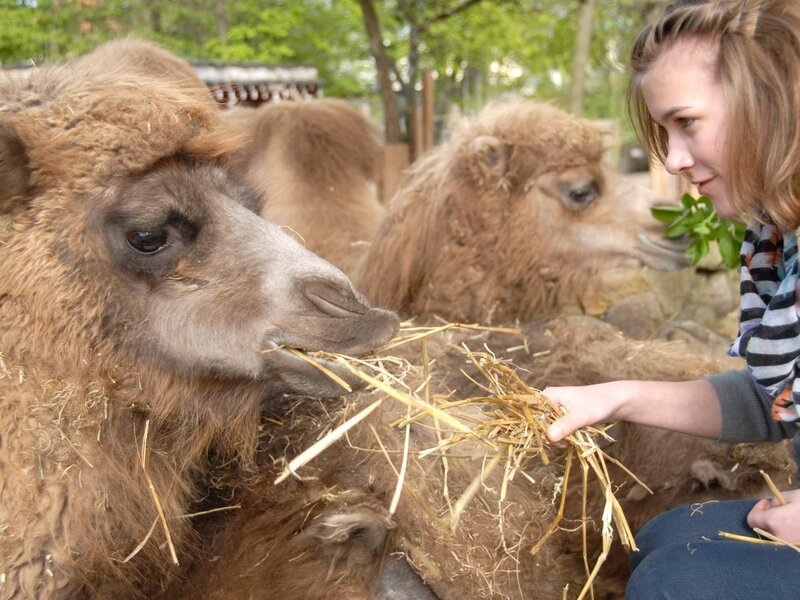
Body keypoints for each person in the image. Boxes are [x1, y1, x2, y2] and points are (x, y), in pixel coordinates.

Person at [544, 1, 800, 597]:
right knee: (659, 538)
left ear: (774, 101)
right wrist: (614, 396)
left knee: (673, 582)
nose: (676, 160)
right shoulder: (777, 243)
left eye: (687, 122)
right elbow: (781, 401)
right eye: (664, 131)